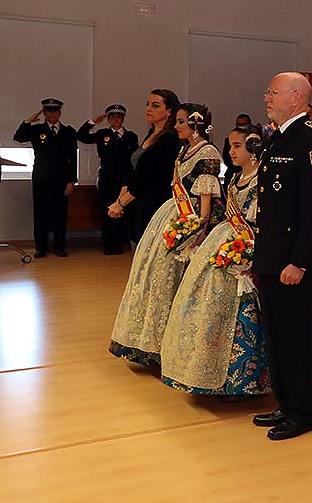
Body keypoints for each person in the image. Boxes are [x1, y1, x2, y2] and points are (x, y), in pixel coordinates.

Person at [159, 125, 312, 396]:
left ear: (254, 150)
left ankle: (274, 383)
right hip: (232, 240)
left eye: (237, 146)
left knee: (279, 324)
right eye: (230, 146)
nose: (231, 152)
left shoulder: (262, 179)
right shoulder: (233, 179)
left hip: (262, 248)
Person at [251, 72, 312, 441]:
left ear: (297, 97)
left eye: (274, 92)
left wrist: (299, 262)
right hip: (271, 255)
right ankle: (286, 402)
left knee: (297, 339)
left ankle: (304, 413)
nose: (267, 97)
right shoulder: (279, 137)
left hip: (290, 261)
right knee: (277, 336)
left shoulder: (311, 141)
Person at [110, 104, 223, 367]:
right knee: (158, 274)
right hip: (173, 212)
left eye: (182, 122)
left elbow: (205, 202)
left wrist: (198, 234)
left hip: (192, 217)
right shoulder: (185, 150)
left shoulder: (207, 152)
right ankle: (155, 341)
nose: (177, 126)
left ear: (195, 125)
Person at [110, 90, 181, 243]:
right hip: (138, 202)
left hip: (154, 203)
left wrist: (121, 203)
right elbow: (134, 169)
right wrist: (120, 199)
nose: (149, 109)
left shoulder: (170, 138)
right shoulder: (151, 133)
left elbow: (151, 176)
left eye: (155, 106)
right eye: (148, 104)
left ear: (169, 111)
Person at [14, 98, 78, 258]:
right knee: (40, 213)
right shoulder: (37, 130)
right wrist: (29, 120)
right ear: (44, 113)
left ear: (60, 113)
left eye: (55, 111)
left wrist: (72, 180)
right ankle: (40, 247)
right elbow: (19, 136)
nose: (52, 114)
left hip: (61, 180)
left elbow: (73, 158)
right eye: (48, 111)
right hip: (41, 178)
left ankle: (59, 246)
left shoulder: (69, 132)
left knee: (60, 214)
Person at [78, 104, 139, 254]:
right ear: (109, 119)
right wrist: (92, 122)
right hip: (106, 178)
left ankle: (119, 243)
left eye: (119, 117)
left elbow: (134, 159)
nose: (116, 120)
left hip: (124, 179)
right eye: (112, 117)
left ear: (123, 119)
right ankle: (108, 243)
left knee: (121, 209)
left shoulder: (131, 136)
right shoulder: (101, 134)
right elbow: (81, 136)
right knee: (106, 210)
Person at [222, 113, 253, 185]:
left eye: (243, 124)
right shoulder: (228, 140)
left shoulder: (253, 141)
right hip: (232, 173)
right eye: (238, 125)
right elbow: (226, 158)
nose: (231, 151)